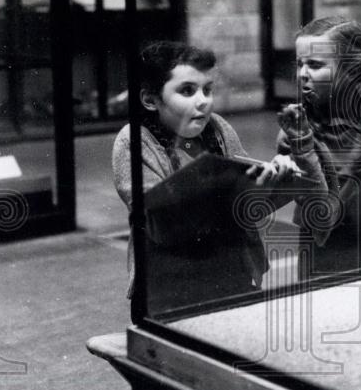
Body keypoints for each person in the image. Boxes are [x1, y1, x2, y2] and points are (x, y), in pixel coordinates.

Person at [112, 40, 327, 312]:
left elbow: (247, 198)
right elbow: (159, 223)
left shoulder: (218, 129)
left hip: (230, 273)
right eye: (187, 91)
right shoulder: (134, 141)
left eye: (207, 89)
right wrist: (232, 196)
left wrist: (272, 177)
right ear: (150, 100)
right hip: (169, 286)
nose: (203, 101)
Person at [278, 16, 361, 279]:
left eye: (315, 65)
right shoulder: (298, 122)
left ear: (351, 69)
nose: (303, 74)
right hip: (322, 236)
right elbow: (289, 169)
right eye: (300, 64)